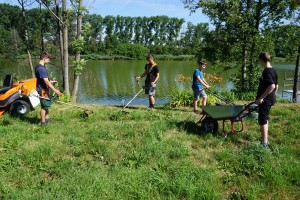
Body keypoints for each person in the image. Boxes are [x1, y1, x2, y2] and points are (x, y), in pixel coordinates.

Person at [255, 52, 278, 148]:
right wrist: (273, 95)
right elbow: (276, 86)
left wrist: (261, 98)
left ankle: (264, 144)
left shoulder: (267, 71)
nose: (259, 62)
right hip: (269, 99)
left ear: (261, 60)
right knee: (265, 118)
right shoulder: (273, 70)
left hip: (265, 100)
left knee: (262, 120)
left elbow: (272, 85)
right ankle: (265, 141)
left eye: (259, 60)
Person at [35, 52, 62, 125]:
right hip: (42, 90)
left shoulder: (39, 67)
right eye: (48, 59)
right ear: (44, 59)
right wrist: (56, 90)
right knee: (44, 106)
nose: (49, 61)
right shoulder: (41, 68)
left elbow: (43, 79)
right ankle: (43, 122)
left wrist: (51, 81)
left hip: (43, 89)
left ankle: (47, 119)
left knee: (46, 105)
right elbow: (46, 81)